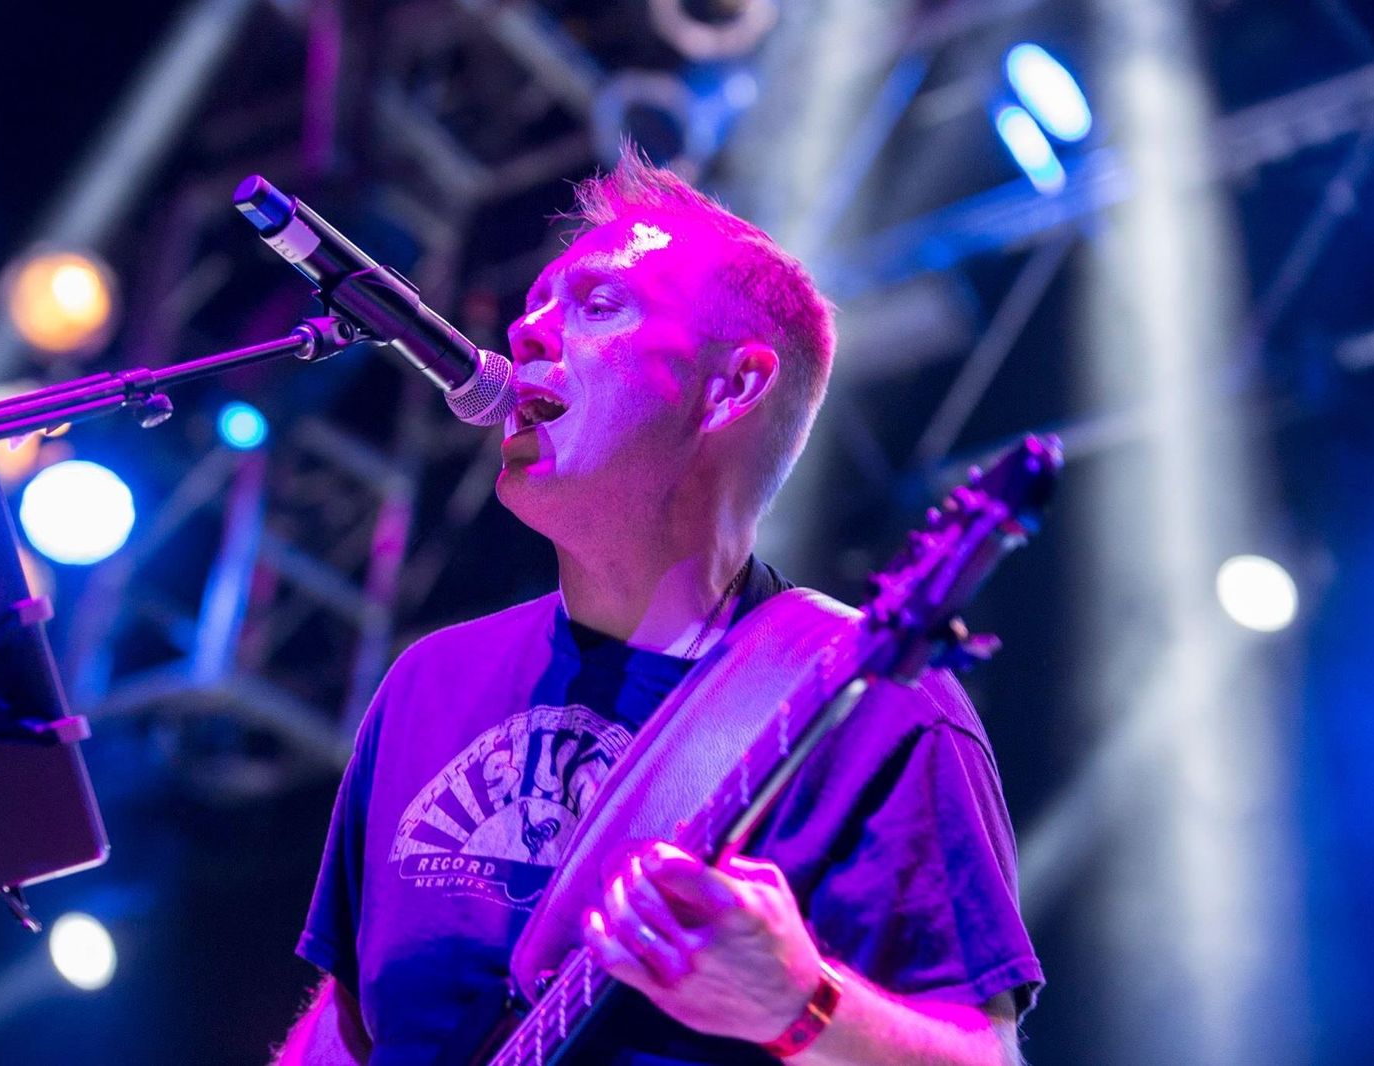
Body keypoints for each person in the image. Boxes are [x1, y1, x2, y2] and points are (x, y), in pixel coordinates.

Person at [273, 148, 1043, 1065]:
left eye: (598, 304)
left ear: (733, 387)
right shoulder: (430, 683)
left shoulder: (871, 701)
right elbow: (346, 1033)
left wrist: (801, 1003)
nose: (525, 331)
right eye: (538, 303)